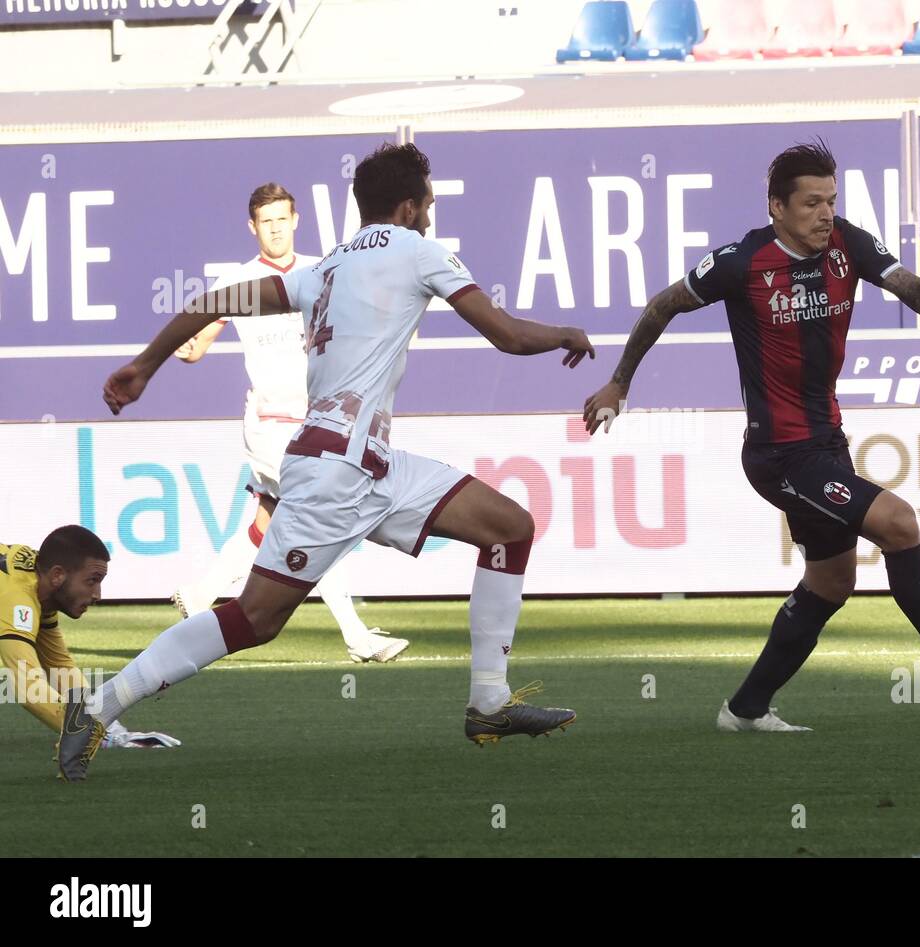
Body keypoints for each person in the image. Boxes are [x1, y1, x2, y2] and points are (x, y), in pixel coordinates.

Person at [59, 142, 593, 781]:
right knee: (252, 620)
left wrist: (145, 365)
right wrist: (565, 333)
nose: (430, 211)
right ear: (406, 205)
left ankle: (488, 702)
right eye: (427, 201)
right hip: (336, 471)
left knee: (509, 527)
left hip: (372, 462)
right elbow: (504, 334)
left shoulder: (324, 268)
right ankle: (96, 707)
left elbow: (212, 303)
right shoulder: (420, 250)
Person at [584, 140, 920, 732]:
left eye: (831, 201)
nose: (824, 214)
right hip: (779, 454)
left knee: (831, 581)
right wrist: (617, 384)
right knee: (898, 522)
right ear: (777, 208)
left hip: (826, 444)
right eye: (811, 203)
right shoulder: (742, 262)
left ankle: (744, 710)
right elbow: (663, 306)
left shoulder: (850, 246)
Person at [172, 182, 406, 664]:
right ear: (252, 227)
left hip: (320, 417)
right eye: (266, 221)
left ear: (296, 220)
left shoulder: (323, 270)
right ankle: (357, 636)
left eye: (282, 219)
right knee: (321, 517)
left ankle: (200, 594)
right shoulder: (237, 282)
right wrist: (187, 349)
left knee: (268, 522)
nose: (275, 228)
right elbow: (200, 340)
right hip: (270, 423)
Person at [1, 525, 179, 749]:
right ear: (57, 575)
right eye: (92, 580)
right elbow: (26, 687)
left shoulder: (38, 585)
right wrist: (95, 733)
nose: (97, 595)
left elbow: (59, 666)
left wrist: (110, 729)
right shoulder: (17, 597)